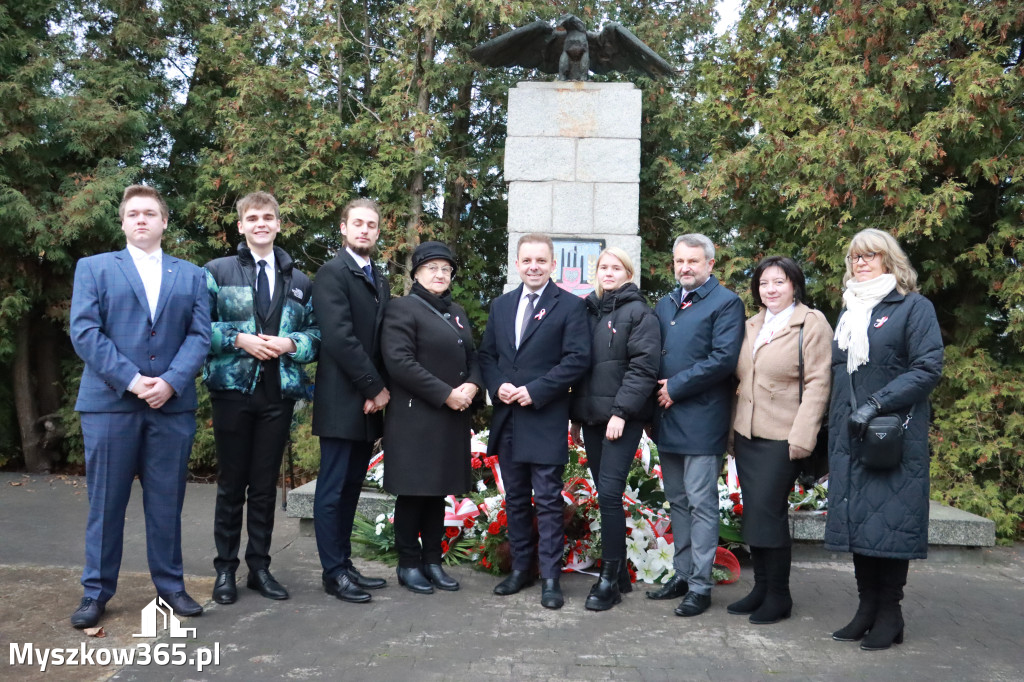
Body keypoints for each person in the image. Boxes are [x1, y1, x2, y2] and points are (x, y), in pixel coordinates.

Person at [68, 184, 211, 628]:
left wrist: (169, 382)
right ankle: (96, 592)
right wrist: (132, 381)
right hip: (110, 405)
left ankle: (171, 586)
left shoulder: (189, 274)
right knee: (106, 504)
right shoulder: (93, 269)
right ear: (123, 222)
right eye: (133, 214)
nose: (142, 220)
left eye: (150, 213)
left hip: (171, 406)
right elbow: (85, 332)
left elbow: (199, 335)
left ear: (165, 221)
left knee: (167, 502)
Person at [826, 228, 943, 651]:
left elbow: (928, 368)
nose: (860, 263)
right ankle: (866, 609)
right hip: (852, 435)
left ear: (889, 261)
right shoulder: (849, 311)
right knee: (861, 522)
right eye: (855, 257)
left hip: (893, 434)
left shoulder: (914, 307)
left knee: (889, 524)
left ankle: (890, 613)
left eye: (870, 255)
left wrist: (876, 403)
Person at [203, 191, 320, 605]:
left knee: (265, 488)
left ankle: (260, 568)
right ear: (241, 225)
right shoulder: (217, 271)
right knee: (232, 485)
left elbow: (316, 336)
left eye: (268, 217)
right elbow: (199, 329)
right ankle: (224, 571)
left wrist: (291, 344)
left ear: (278, 224)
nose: (260, 224)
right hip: (233, 392)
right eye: (252, 218)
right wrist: (240, 339)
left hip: (279, 394)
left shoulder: (300, 280)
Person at [478, 233, 591, 610]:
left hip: (544, 417)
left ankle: (550, 578)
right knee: (515, 500)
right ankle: (520, 569)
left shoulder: (571, 306)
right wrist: (499, 387)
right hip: (509, 417)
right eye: (526, 260)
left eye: (540, 260)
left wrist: (536, 390)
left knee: (546, 500)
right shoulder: (501, 305)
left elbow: (576, 359)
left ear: (553, 264)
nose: (533, 266)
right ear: (516, 263)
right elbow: (487, 356)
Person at [727, 256, 832, 624]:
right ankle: (761, 588)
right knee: (755, 512)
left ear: (794, 285)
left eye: (779, 282)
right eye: (764, 283)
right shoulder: (751, 324)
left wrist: (803, 437)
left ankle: (780, 596)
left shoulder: (811, 323)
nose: (771, 289)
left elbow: (819, 382)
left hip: (783, 437)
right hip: (747, 434)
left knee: (769, 513)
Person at [650, 233, 745, 617]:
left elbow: (723, 358)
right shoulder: (664, 303)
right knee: (678, 501)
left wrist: (677, 385)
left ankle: (701, 586)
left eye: (693, 261)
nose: (685, 267)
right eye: (679, 261)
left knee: (702, 504)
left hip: (702, 419)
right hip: (666, 418)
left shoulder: (726, 303)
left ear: (710, 264)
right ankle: (683, 574)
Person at [380, 242, 482, 594]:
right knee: (413, 493)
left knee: (437, 493)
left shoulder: (456, 311)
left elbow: (473, 356)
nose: (439, 275)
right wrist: (446, 394)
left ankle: (433, 562)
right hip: (415, 419)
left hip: (451, 417)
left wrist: (472, 384)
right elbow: (400, 362)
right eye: (431, 268)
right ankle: (408, 564)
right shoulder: (402, 309)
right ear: (417, 274)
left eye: (445, 269)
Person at [569, 248, 660, 611]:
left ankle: (608, 582)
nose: (609, 272)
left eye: (616, 267)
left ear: (628, 272)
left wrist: (621, 413)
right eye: (603, 267)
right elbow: (579, 367)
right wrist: (576, 417)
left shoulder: (639, 313)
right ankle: (620, 572)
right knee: (603, 492)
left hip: (622, 419)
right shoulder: (587, 310)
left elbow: (643, 368)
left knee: (608, 493)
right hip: (591, 417)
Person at [311, 198, 391, 604]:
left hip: (367, 401)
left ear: (378, 232)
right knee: (332, 488)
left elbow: (380, 340)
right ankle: (332, 573)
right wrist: (373, 388)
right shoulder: (331, 273)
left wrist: (377, 393)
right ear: (343, 228)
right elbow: (340, 338)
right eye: (357, 223)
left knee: (350, 488)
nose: (364, 230)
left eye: (371, 225)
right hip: (344, 399)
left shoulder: (378, 276)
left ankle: (344, 563)